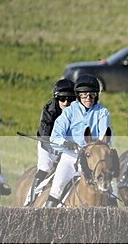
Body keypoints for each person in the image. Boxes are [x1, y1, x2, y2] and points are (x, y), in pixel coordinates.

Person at [45, 74, 112, 207]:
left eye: (92, 95)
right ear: (78, 96)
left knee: (111, 190)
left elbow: (105, 136)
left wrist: (94, 147)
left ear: (96, 95)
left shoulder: (102, 112)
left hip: (93, 159)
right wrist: (66, 143)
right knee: (56, 188)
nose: (88, 98)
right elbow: (55, 136)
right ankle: (47, 219)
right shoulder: (69, 112)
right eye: (84, 95)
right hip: (70, 158)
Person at [25, 78, 76, 205]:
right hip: (48, 146)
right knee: (45, 167)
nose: (66, 102)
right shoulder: (49, 110)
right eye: (62, 99)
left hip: (69, 147)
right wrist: (56, 150)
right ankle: (30, 200)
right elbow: (44, 137)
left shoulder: (78, 111)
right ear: (56, 98)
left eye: (70, 99)